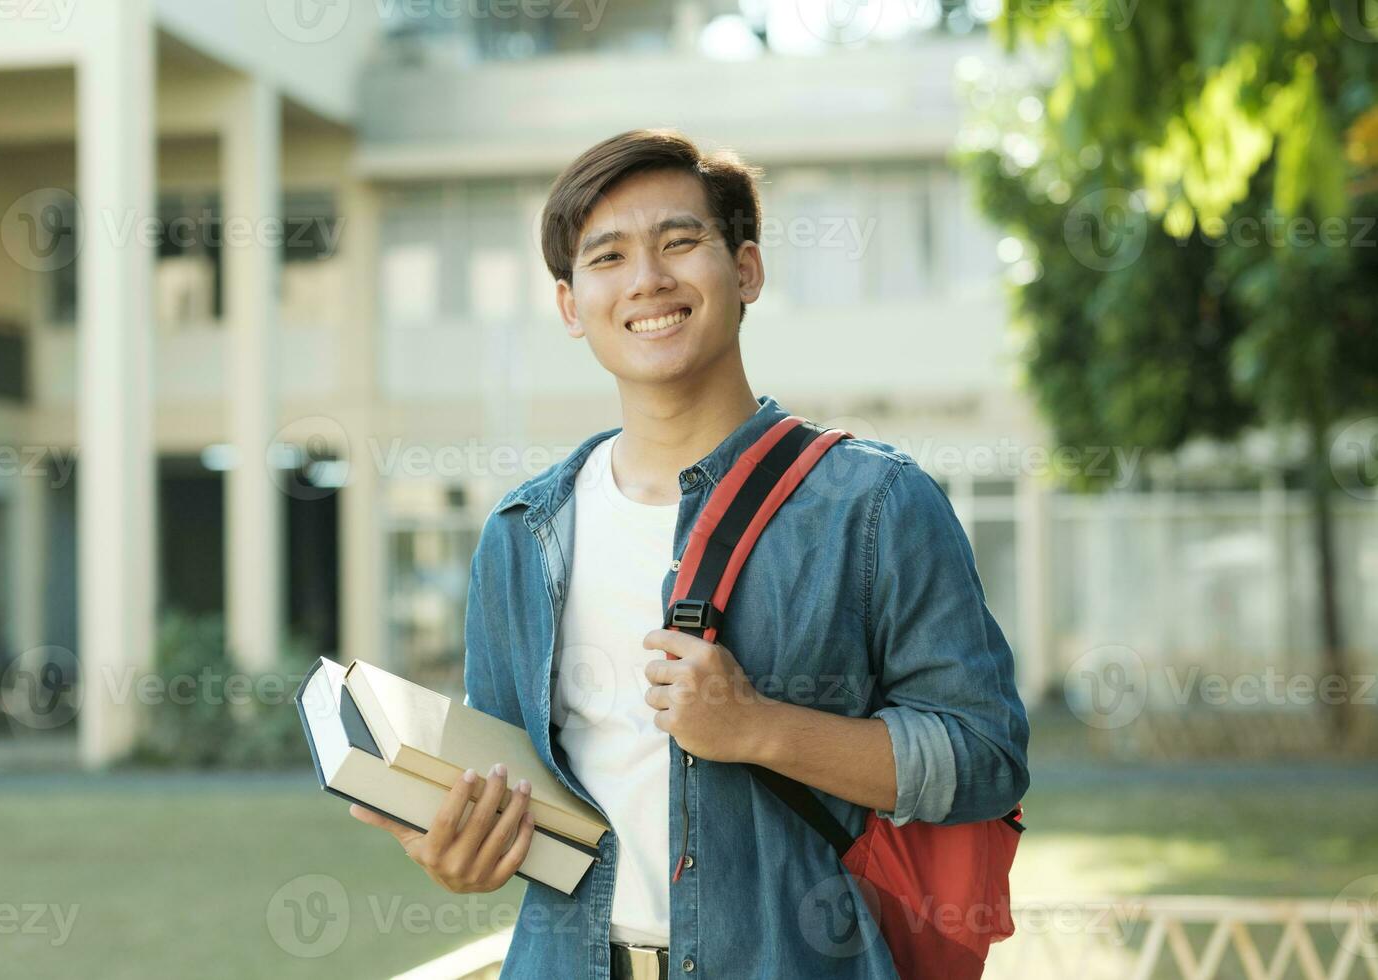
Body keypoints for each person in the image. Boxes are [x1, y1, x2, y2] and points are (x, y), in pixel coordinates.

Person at [350, 128, 1030, 979]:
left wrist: (761, 728)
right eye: (608, 258)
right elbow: (516, 797)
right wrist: (461, 854)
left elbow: (986, 758)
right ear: (570, 305)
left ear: (744, 269)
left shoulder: (874, 504)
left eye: (680, 242)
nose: (648, 280)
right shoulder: (522, 534)